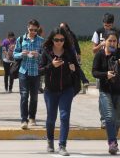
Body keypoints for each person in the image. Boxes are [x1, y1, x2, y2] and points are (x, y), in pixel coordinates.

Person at [92, 30, 120, 155]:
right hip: (106, 90)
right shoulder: (100, 55)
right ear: (104, 41)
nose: (112, 43)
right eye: (109, 40)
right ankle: (112, 142)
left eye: (114, 41)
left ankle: (112, 139)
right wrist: (106, 75)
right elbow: (94, 72)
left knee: (118, 118)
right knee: (109, 117)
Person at [39, 27, 79, 156]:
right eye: (56, 39)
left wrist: (73, 68)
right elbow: (40, 70)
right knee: (51, 118)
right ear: (52, 39)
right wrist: (51, 66)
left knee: (64, 116)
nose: (59, 42)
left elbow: (77, 67)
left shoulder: (69, 52)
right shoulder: (46, 52)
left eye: (61, 40)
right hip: (50, 90)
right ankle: (50, 140)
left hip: (67, 89)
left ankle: (62, 145)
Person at [91, 13, 120, 128]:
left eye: (109, 25)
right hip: (102, 63)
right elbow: (93, 50)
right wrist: (102, 44)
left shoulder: (119, 32)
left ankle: (113, 119)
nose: (107, 28)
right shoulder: (98, 31)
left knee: (114, 94)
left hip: (115, 63)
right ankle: (103, 119)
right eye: (106, 25)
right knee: (103, 93)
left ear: (113, 24)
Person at [13, 19, 44, 129]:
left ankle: (32, 117)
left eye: (35, 30)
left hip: (35, 72)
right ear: (27, 28)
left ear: (37, 30)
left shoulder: (41, 41)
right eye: (31, 29)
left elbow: (45, 57)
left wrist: (38, 55)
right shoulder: (21, 39)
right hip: (24, 71)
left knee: (34, 96)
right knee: (24, 95)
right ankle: (24, 119)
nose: (32, 32)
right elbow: (14, 54)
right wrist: (21, 54)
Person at [60, 22, 90, 91]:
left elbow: (76, 43)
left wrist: (78, 53)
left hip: (71, 54)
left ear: (67, 27)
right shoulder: (59, 35)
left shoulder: (71, 34)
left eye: (63, 27)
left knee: (76, 67)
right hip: (62, 54)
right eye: (61, 28)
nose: (62, 29)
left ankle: (84, 81)